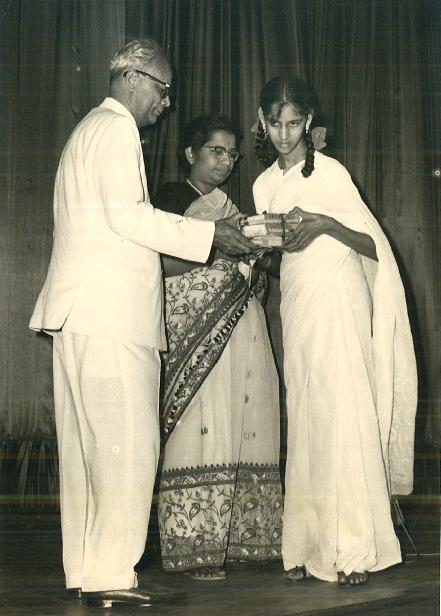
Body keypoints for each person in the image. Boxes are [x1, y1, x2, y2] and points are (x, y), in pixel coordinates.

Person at [28, 39, 256, 609]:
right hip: (111, 318)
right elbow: (128, 216)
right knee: (126, 449)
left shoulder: (86, 131)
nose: (166, 101)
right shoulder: (116, 129)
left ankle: (90, 570)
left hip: (82, 315)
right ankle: (114, 575)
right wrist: (209, 236)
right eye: (161, 88)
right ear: (132, 78)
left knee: (89, 455)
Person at [252, 76, 417, 586]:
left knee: (343, 412)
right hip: (299, 305)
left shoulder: (330, 172)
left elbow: (375, 246)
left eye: (294, 123)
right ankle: (306, 544)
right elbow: (284, 256)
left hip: (341, 300)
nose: (284, 134)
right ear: (262, 122)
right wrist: (262, 250)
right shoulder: (262, 185)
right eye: (275, 123)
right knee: (306, 413)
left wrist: (323, 223)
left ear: (308, 121)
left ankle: (351, 550)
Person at [152, 114, 283, 581]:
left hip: (241, 324)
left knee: (247, 413)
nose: (226, 161)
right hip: (198, 334)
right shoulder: (169, 199)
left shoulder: (233, 207)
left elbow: (260, 264)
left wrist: (255, 253)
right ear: (191, 154)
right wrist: (221, 248)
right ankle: (196, 544)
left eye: (232, 153)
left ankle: (247, 539)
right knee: (202, 425)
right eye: (216, 151)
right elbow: (161, 265)